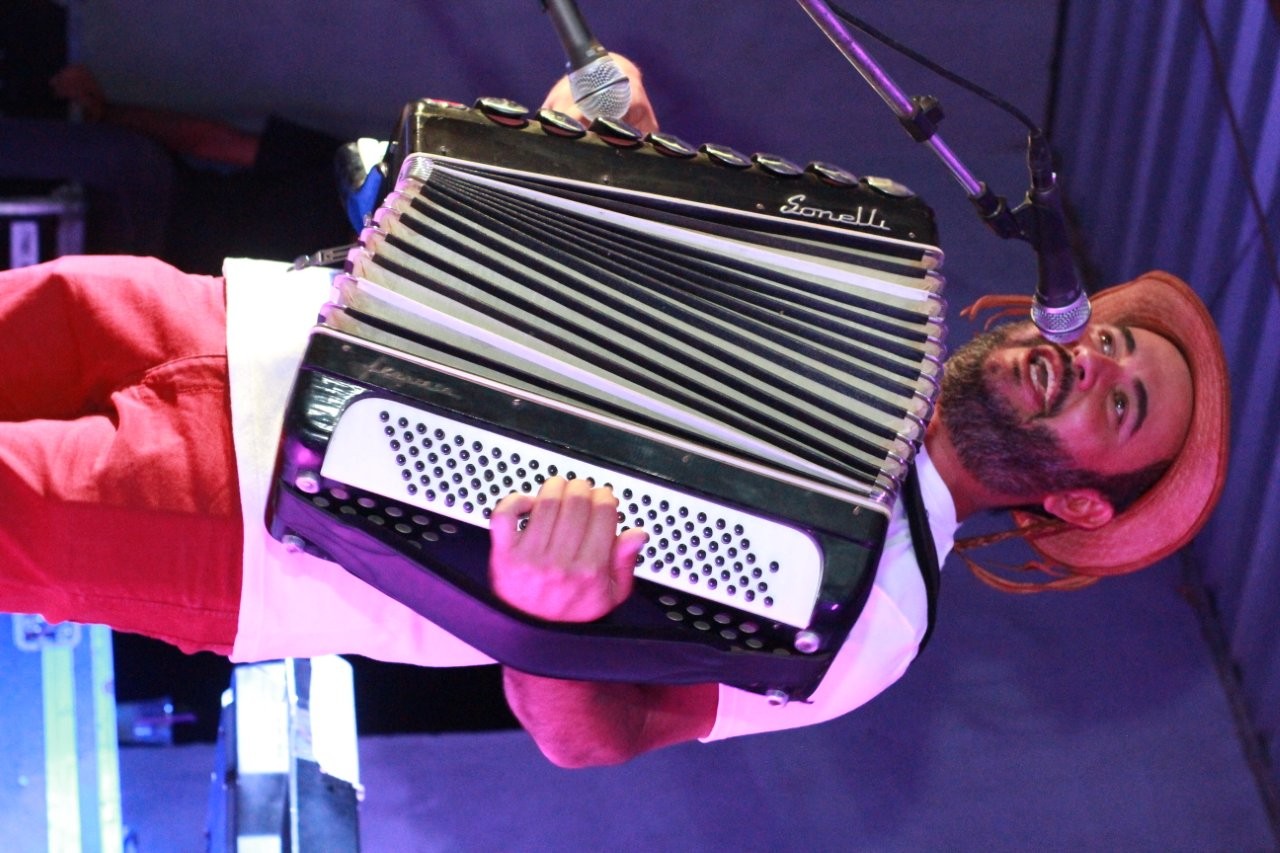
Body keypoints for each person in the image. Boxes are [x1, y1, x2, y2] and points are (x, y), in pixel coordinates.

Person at [0, 61, 1228, 767]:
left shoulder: (878, 625)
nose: (1086, 362)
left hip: (256, 530)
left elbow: (595, 738)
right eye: (1106, 339)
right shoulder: (858, 289)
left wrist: (555, 619)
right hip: (242, 314)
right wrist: (581, 155)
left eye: (1119, 402)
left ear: (1078, 503)